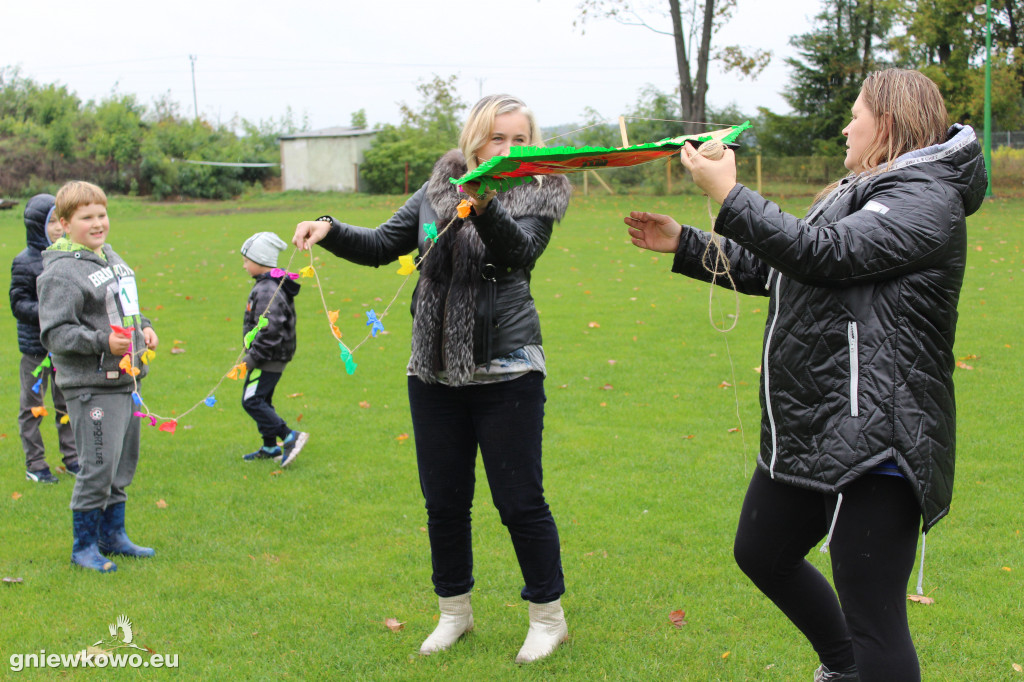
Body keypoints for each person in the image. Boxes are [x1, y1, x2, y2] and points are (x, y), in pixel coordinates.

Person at [624, 69, 986, 681]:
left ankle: (858, 666)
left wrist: (729, 196)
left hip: (880, 435)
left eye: (855, 114)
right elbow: (791, 268)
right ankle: (843, 667)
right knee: (763, 552)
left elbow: (823, 254)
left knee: (875, 620)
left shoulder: (927, 196)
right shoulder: (865, 187)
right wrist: (688, 244)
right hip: (820, 421)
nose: (846, 125)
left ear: (887, 125)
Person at [292, 94, 573, 663]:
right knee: (444, 502)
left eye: (520, 138)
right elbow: (379, 245)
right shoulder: (439, 185)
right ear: (475, 139)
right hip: (432, 370)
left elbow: (517, 253)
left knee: (520, 502)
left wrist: (486, 204)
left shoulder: (542, 189)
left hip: (508, 368)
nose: (509, 148)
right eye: (498, 137)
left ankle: (548, 618)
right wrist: (328, 227)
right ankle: (454, 614)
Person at [37, 181, 160, 574]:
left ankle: (114, 536)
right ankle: (84, 547)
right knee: (98, 466)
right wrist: (103, 341)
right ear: (63, 223)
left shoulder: (108, 255)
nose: (97, 223)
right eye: (86, 217)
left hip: (126, 380)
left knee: (122, 464)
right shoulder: (60, 272)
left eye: (101, 214)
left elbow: (126, 306)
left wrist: (145, 327)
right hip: (91, 386)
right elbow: (56, 334)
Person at [9, 193, 79, 483]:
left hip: (63, 347)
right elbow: (18, 303)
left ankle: (73, 458)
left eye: (59, 221)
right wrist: (47, 311)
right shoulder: (24, 262)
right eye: (50, 222)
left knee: (67, 404)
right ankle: (35, 463)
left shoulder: (69, 256)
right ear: (36, 224)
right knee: (32, 407)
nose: (56, 229)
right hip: (35, 350)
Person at [238, 231, 308, 467]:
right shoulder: (268, 285)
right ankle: (270, 446)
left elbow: (270, 329)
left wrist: (252, 358)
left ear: (260, 261)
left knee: (251, 400)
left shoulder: (268, 289)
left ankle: (289, 436)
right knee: (262, 399)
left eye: (247, 260)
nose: (244, 265)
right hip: (270, 356)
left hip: (266, 358)